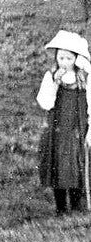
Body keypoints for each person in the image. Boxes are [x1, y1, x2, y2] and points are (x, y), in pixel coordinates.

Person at [36, 30, 91, 215]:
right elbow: (46, 103)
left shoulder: (84, 78)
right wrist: (54, 84)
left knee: (76, 164)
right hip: (57, 128)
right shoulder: (51, 76)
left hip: (77, 126)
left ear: (76, 59)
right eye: (61, 58)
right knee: (57, 164)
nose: (64, 62)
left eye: (68, 58)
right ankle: (61, 207)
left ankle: (77, 206)